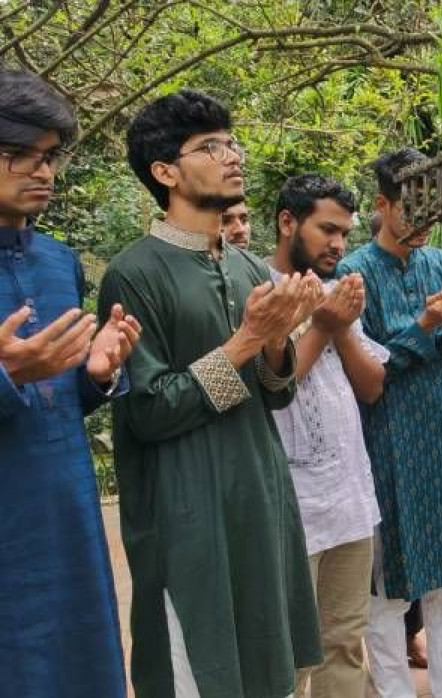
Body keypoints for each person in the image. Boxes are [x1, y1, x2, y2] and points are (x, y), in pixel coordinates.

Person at [102, 89, 324, 697]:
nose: (233, 156)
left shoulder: (249, 268)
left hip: (259, 496)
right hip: (186, 510)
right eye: (210, 147)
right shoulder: (135, 272)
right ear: (165, 172)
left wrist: (277, 341)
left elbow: (276, 394)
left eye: (231, 142)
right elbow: (148, 410)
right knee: (198, 674)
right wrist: (251, 338)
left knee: (268, 670)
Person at [0, 68, 140, 698]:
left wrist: (98, 375)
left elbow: (56, 403)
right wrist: (6, 375)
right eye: (17, 156)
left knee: (82, 663)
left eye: (50, 158)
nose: (42, 173)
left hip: (66, 511)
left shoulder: (59, 263)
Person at [336, 147, 442, 698]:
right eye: (413, 209)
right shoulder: (352, 274)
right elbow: (370, 367)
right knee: (388, 590)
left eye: (434, 211)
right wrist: (427, 322)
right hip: (388, 440)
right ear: (383, 205)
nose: (426, 223)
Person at [267, 174, 386, 697]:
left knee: (345, 640)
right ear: (288, 222)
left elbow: (373, 386)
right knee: (290, 650)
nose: (338, 244)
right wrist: (321, 326)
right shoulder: (256, 294)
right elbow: (278, 388)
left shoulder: (340, 294)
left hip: (349, 498)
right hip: (290, 504)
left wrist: (339, 325)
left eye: (344, 233)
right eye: (327, 229)